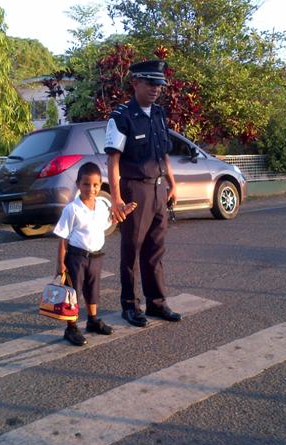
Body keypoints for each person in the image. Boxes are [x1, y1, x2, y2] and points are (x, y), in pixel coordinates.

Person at [104, 60, 183, 328]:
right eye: (150, 83)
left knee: (155, 250)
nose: (155, 89)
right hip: (135, 189)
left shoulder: (159, 114)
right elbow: (113, 159)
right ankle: (129, 306)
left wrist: (172, 183)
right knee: (132, 250)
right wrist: (116, 198)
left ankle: (156, 303)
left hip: (159, 188)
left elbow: (163, 153)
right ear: (135, 83)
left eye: (159, 85)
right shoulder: (121, 116)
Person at [53, 162, 136, 346]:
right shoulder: (72, 209)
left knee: (93, 290)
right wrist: (61, 263)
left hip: (96, 256)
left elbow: (108, 222)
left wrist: (123, 213)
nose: (91, 189)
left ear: (100, 185)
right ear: (78, 184)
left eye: (96, 185)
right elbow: (63, 238)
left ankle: (92, 320)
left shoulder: (102, 206)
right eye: (86, 184)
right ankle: (71, 328)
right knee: (73, 293)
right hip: (76, 257)